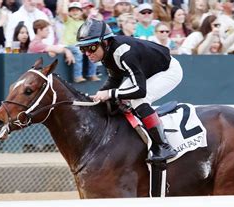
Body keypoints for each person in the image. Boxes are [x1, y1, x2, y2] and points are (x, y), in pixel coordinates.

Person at [76, 19, 183, 163]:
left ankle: (163, 146)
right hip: (147, 70)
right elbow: (114, 79)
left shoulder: (125, 53)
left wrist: (109, 93)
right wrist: (99, 95)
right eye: (83, 49)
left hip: (167, 70)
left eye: (92, 48)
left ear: (105, 42)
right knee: (118, 96)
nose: (88, 53)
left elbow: (140, 91)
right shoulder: (107, 53)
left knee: (138, 100)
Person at [59, 1, 98, 82]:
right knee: (78, 51)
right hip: (69, 45)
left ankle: (92, 74)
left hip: (80, 45)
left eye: (77, 10)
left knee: (93, 50)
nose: (75, 12)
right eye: (72, 10)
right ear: (69, 12)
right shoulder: (68, 20)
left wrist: (92, 13)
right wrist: (65, 2)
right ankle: (77, 76)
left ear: (81, 12)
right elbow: (63, 12)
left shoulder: (83, 22)